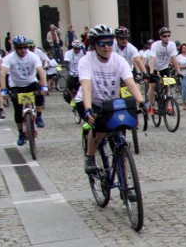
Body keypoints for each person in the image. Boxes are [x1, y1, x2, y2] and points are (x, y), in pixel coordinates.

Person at [77, 24, 144, 174]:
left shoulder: (119, 60)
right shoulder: (86, 61)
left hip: (110, 101)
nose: (107, 47)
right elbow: (86, 86)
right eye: (102, 44)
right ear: (94, 45)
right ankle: (90, 157)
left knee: (120, 136)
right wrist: (88, 109)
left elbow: (130, 83)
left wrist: (141, 101)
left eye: (109, 43)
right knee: (99, 130)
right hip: (89, 100)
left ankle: (125, 184)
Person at [0, 35, 48, 145]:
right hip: (16, 85)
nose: (23, 50)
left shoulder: (33, 56)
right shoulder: (9, 58)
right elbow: (2, 73)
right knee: (17, 109)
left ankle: (39, 116)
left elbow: (40, 71)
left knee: (40, 92)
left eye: (25, 47)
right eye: (20, 48)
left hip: (31, 82)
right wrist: (3, 90)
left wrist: (44, 86)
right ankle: (21, 133)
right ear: (15, 48)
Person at [146, 27, 180, 106]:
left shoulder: (172, 44)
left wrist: (179, 72)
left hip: (164, 67)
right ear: (161, 37)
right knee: (152, 86)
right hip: (153, 67)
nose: (167, 38)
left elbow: (174, 59)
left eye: (168, 36)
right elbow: (152, 58)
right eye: (165, 36)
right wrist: (151, 72)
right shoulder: (155, 45)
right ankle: (151, 106)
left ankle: (168, 106)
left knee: (167, 85)